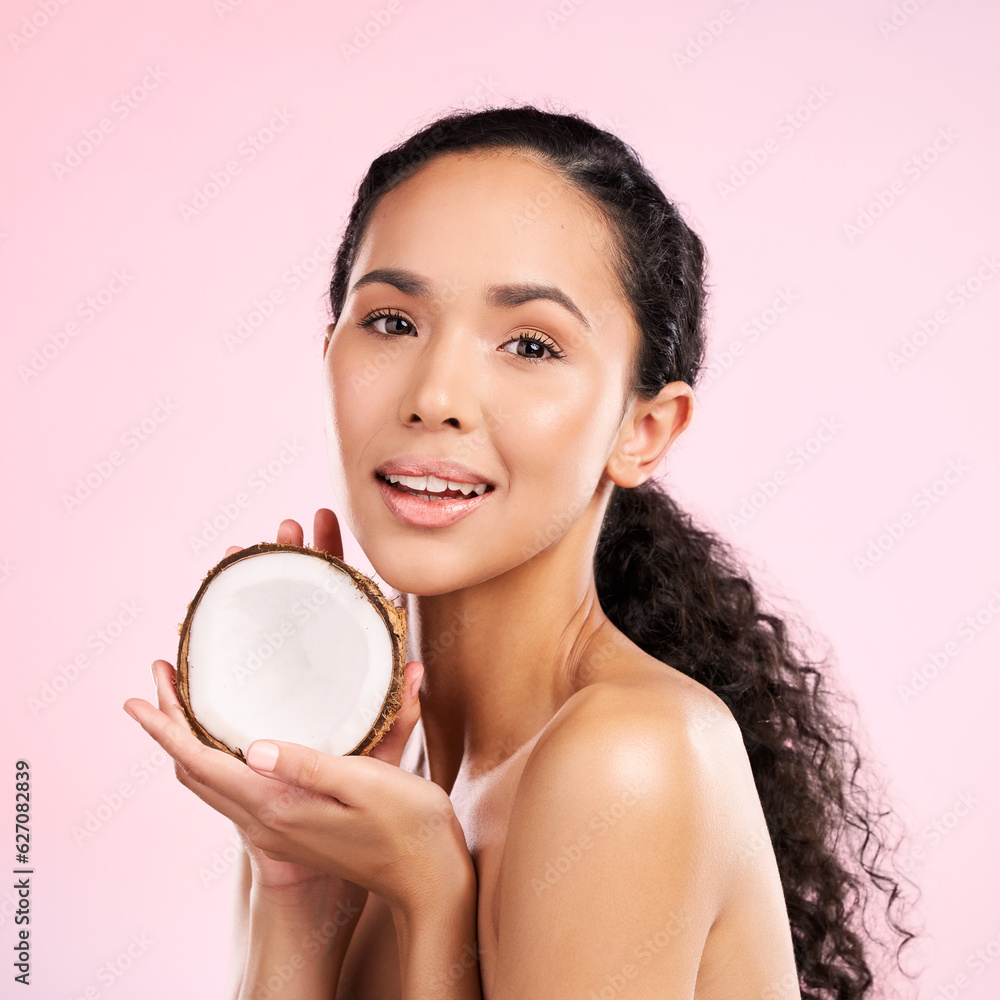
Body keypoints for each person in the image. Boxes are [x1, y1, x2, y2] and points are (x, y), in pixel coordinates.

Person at [123, 103, 918, 999]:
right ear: (330, 354)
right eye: (391, 322)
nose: (435, 395)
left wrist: (431, 899)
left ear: (644, 430)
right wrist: (293, 882)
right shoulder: (372, 781)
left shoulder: (628, 760)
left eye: (530, 344)